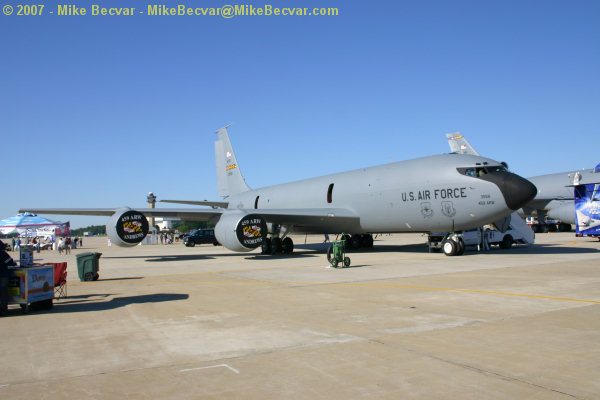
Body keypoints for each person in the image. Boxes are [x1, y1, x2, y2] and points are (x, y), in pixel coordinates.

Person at [0, 239, 17, 316]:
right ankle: (4, 309)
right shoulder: (3, 254)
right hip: (3, 275)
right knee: (3, 293)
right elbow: (11, 263)